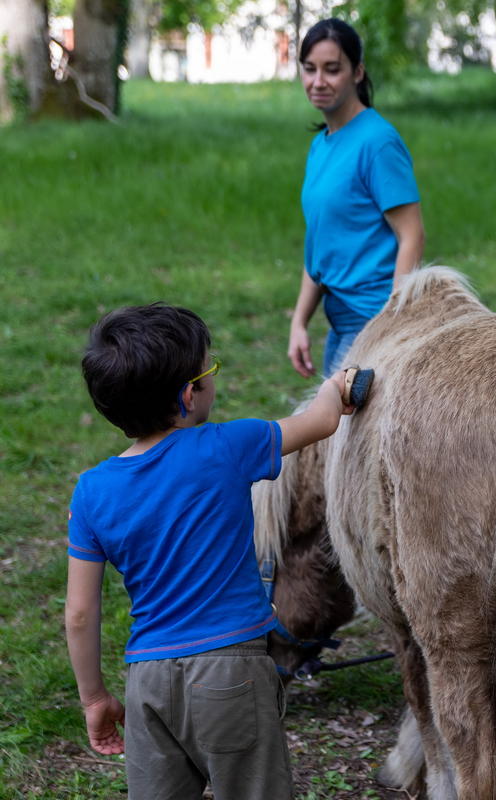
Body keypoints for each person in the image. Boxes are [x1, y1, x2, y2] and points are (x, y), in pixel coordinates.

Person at [65, 303, 354, 800]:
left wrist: (94, 698)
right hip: (231, 671)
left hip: (147, 680)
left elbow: (78, 612)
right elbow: (322, 421)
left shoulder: (90, 492)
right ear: (188, 395)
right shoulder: (227, 445)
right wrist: (336, 385)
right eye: (209, 369)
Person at [289, 17, 425, 378]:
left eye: (332, 69)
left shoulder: (378, 142)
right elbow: (320, 244)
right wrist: (299, 322)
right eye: (310, 69)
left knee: (331, 413)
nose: (318, 81)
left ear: (358, 73)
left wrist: (391, 324)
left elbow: (412, 235)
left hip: (372, 322)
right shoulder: (321, 144)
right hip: (339, 321)